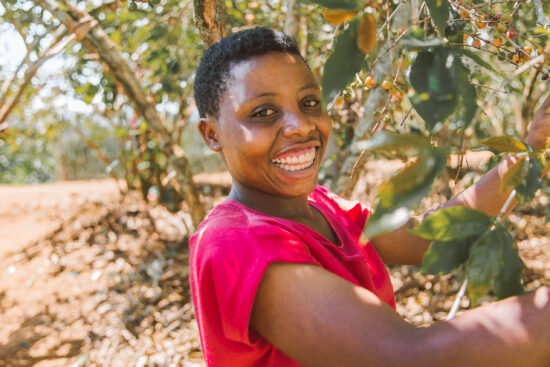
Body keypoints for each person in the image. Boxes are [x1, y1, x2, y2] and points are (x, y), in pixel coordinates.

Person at [189, 27, 550, 367]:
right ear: (211, 134)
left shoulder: (321, 206)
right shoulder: (235, 242)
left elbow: (425, 237)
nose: (300, 124)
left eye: (310, 102)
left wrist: (534, 150)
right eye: (263, 112)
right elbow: (403, 357)